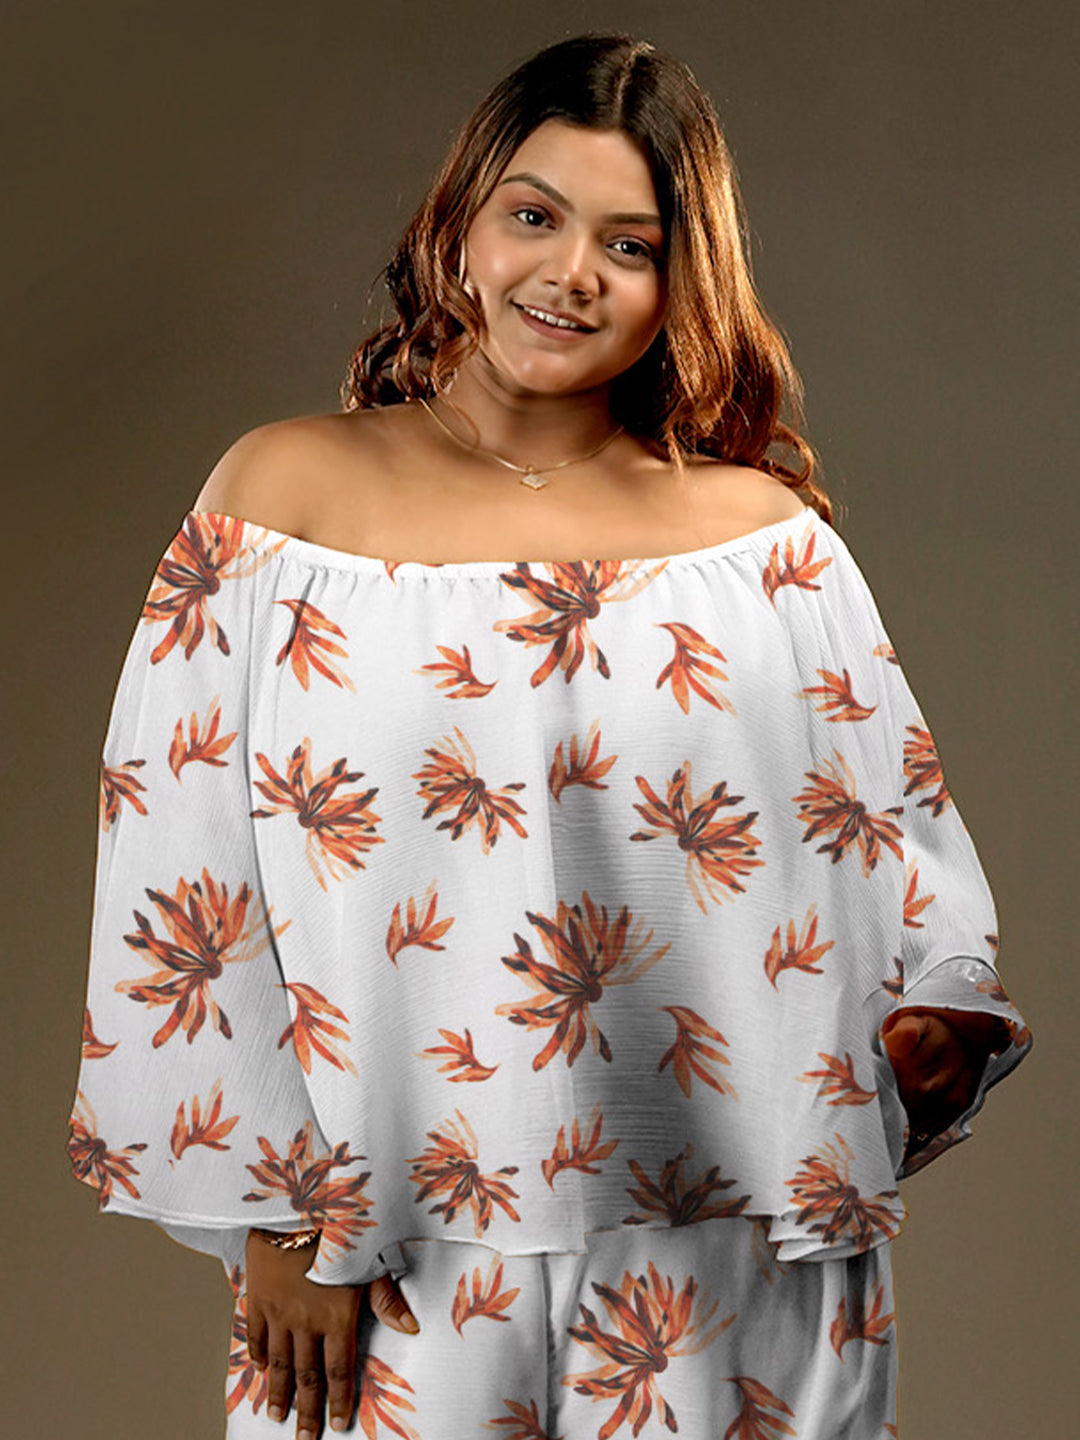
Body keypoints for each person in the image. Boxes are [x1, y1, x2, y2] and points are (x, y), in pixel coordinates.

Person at [68, 31, 1033, 1440]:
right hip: (394, 1245)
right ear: (463, 225)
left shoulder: (765, 547)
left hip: (739, 1244)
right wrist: (273, 1213)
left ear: (681, 283)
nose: (572, 272)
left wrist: (942, 1009)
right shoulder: (282, 503)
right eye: (536, 215)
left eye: (629, 245)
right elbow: (180, 860)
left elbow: (899, 839)